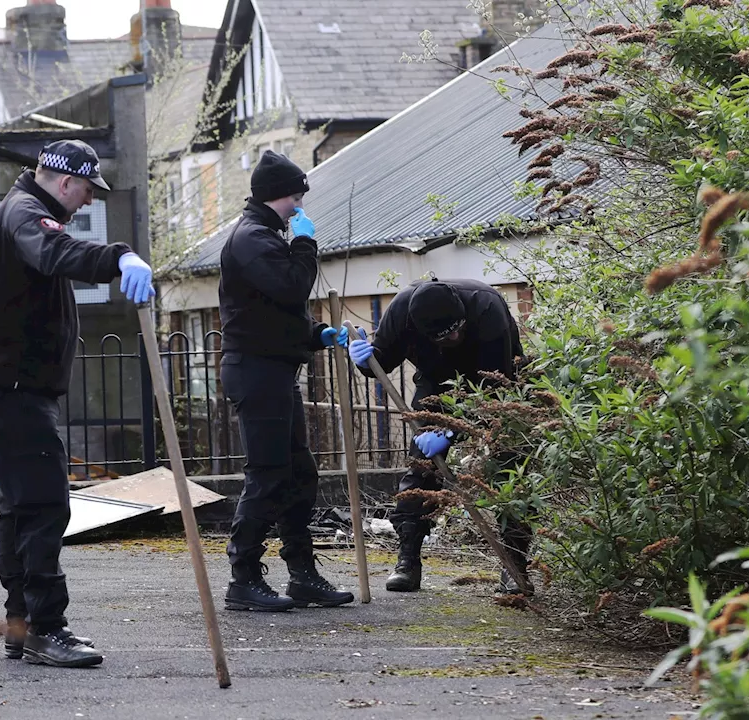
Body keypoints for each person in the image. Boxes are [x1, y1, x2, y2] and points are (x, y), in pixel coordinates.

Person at [0, 139, 154, 668]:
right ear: (66, 181)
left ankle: (22, 627)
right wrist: (118, 256)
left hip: (13, 388)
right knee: (47, 506)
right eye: (88, 189)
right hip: (13, 390)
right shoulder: (28, 213)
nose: (90, 200)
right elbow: (56, 252)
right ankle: (47, 628)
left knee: (22, 509)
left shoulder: (25, 208)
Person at [218, 150, 354, 612]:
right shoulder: (254, 238)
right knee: (269, 474)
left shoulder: (261, 236)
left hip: (271, 367)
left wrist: (315, 334)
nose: (301, 207)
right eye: (298, 197)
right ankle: (244, 578)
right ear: (286, 196)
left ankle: (302, 573)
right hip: (256, 373)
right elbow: (293, 287)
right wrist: (304, 244)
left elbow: (271, 312)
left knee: (298, 472)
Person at [345, 277, 535, 595]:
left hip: (497, 382)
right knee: (422, 468)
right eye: (446, 336)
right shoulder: (401, 314)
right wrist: (364, 358)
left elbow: (493, 391)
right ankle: (407, 561)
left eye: (459, 329)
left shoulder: (487, 308)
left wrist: (451, 432)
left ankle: (514, 566)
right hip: (436, 383)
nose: (456, 336)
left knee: (510, 466)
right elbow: (381, 362)